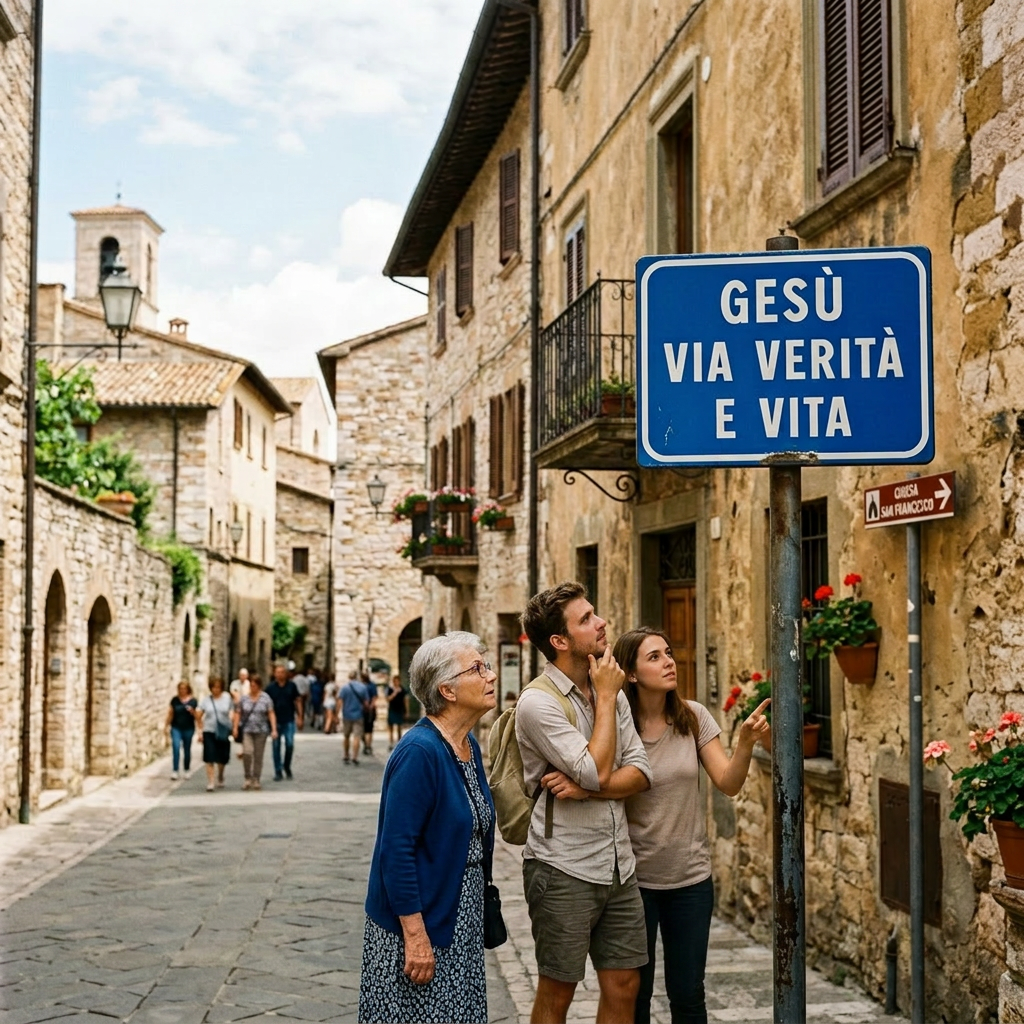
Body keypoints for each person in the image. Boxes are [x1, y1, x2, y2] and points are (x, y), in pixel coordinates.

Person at [615, 627, 769, 1024]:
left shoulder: (693, 717)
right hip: (634, 885)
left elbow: (729, 783)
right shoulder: (617, 728)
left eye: (668, 652)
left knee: (688, 995)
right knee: (636, 997)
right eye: (654, 656)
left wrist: (746, 742)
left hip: (691, 881)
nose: (669, 661)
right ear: (630, 673)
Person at [516, 581, 653, 1024]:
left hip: (618, 863)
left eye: (595, 613)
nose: (602, 623)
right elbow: (598, 768)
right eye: (586, 619)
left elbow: (640, 772)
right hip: (562, 867)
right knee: (558, 992)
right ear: (559, 642)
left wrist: (588, 787)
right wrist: (610, 698)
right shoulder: (538, 703)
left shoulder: (604, 685)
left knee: (625, 984)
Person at [359, 631, 496, 1024]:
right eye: (478, 668)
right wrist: (416, 938)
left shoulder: (467, 745)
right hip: (420, 922)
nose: (490, 676)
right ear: (447, 690)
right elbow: (395, 850)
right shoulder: (419, 752)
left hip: (459, 917)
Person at [232, 673, 277, 790]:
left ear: (259, 686)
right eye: (251, 685)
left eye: (255, 685)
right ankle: (247, 777)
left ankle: (256, 779)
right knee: (247, 752)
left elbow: (271, 713)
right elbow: (238, 713)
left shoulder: (265, 698)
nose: (253, 687)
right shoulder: (244, 699)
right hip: (247, 729)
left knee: (258, 755)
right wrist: (235, 728)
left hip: (261, 731)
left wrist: (274, 729)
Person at [266, 663, 303, 780]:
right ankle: (278, 771)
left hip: (289, 720)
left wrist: (300, 716)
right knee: (276, 746)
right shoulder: (270, 688)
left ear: (286, 674)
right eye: (278, 672)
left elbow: (297, 701)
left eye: (282, 672)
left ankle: (286, 765)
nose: (280, 675)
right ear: (274, 674)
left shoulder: (292, 686)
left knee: (290, 744)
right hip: (275, 721)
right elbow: (266, 704)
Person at [196, 677, 233, 791]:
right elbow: (199, 714)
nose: (216, 689)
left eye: (218, 687)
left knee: (222, 757)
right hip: (209, 730)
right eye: (213, 687)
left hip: (222, 730)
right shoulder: (206, 700)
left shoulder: (227, 698)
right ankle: (211, 782)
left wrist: (231, 723)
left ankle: (220, 775)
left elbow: (231, 711)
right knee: (209, 756)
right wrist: (200, 730)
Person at [165, 681, 198, 780]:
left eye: (184, 688)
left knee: (187, 749)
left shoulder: (193, 701)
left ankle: (187, 769)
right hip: (176, 727)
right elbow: (171, 713)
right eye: (180, 689)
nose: (182, 691)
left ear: (188, 689)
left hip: (188, 728)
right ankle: (175, 770)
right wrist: (166, 726)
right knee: (176, 747)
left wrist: (193, 711)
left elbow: (198, 715)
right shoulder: (175, 700)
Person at [340, 671, 366, 764]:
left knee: (346, 736)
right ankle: (355, 756)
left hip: (346, 715)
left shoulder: (344, 688)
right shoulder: (362, 687)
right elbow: (366, 702)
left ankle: (346, 754)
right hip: (358, 715)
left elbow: (340, 701)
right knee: (357, 736)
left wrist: (337, 714)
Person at [386, 674, 407, 751]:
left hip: (399, 709)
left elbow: (405, 700)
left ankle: (399, 742)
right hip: (392, 709)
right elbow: (388, 699)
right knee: (390, 727)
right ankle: (391, 743)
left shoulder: (402, 690)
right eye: (395, 681)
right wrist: (395, 693)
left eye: (397, 681)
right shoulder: (390, 689)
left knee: (399, 727)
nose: (396, 683)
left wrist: (406, 711)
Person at [362, 671, 378, 755]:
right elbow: (375, 697)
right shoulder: (372, 685)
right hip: (370, 710)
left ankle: (367, 745)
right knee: (369, 729)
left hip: (363, 710)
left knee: (365, 729)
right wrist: (371, 706)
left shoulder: (361, 685)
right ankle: (368, 745)